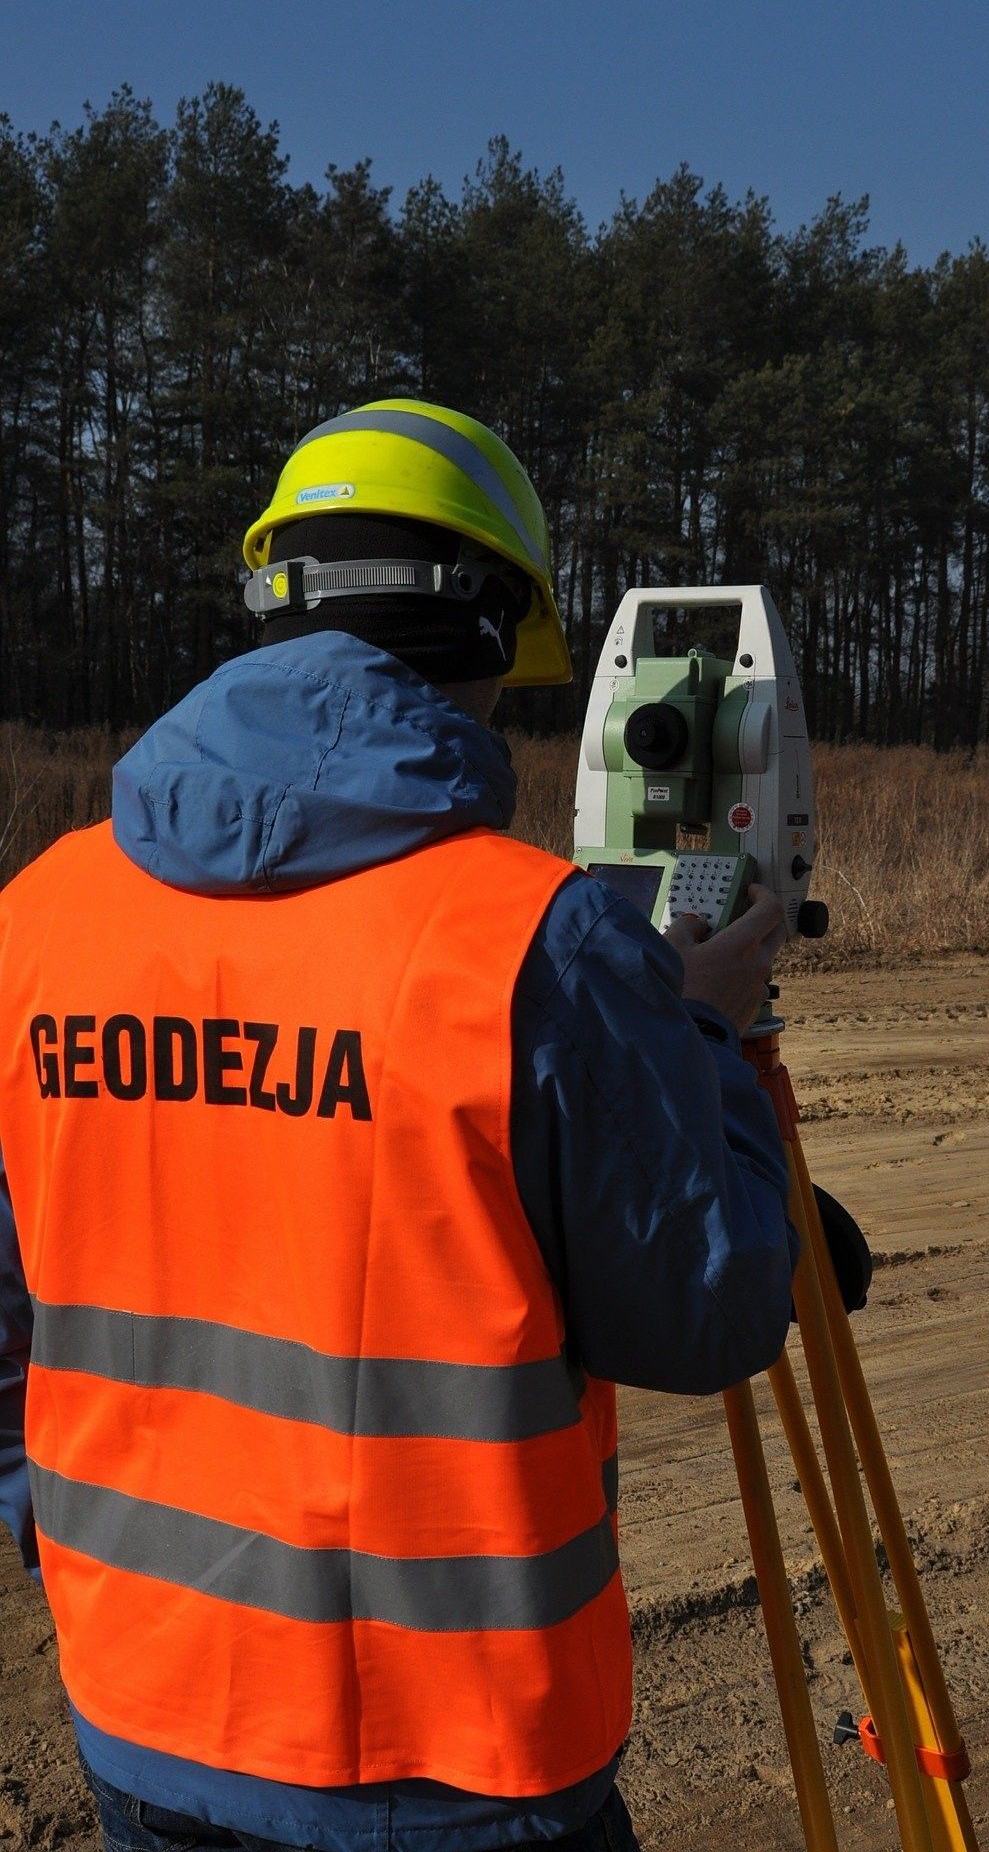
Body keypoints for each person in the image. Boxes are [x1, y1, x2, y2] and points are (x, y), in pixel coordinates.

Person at [0, 399, 798, 1852]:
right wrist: (701, 1031)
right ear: (494, 633)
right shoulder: (539, 950)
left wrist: (64, 1536)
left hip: (146, 1717)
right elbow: (712, 1310)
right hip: (459, 1767)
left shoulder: (37, 920)